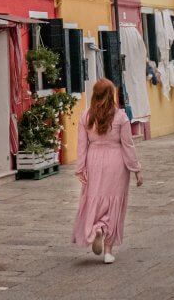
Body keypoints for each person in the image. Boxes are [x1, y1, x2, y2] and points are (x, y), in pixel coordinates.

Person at [72, 78, 143, 264]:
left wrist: (80, 168)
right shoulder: (120, 116)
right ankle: (108, 250)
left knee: (95, 198)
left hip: (93, 160)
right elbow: (128, 145)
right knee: (114, 202)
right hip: (116, 162)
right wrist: (136, 170)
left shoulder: (86, 116)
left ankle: (97, 228)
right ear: (111, 94)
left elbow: (81, 146)